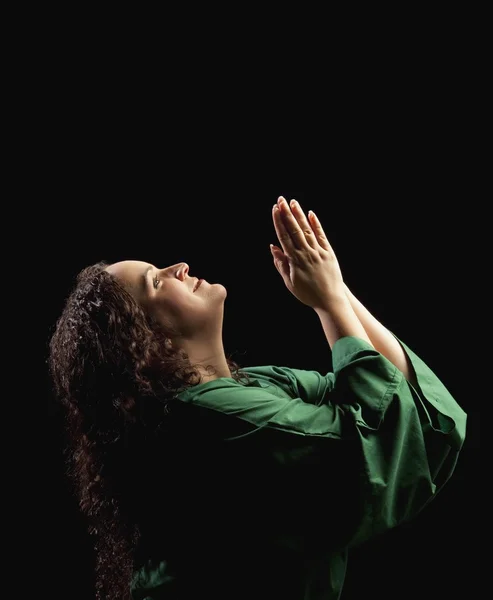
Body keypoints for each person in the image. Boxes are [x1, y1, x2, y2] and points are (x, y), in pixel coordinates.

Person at [47, 196, 467, 600]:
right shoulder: (212, 422)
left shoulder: (256, 387)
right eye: (155, 281)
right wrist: (330, 301)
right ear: (148, 341)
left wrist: (334, 290)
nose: (179, 267)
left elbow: (405, 398)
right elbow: (371, 448)